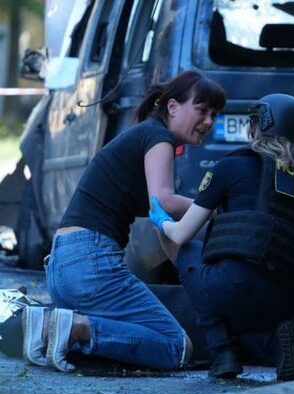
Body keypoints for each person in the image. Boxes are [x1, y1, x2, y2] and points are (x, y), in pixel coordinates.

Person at [21, 70, 226, 372]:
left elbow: (162, 221)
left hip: (62, 267)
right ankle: (77, 327)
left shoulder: (146, 135)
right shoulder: (159, 138)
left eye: (214, 114)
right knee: (176, 346)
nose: (209, 121)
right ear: (172, 107)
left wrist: (190, 274)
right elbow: (164, 202)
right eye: (202, 110)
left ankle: (50, 324)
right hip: (91, 265)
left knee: (137, 336)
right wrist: (212, 208)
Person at [149, 93, 294, 381]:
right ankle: (274, 343)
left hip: (239, 286)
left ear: (256, 129)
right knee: (248, 310)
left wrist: (162, 222)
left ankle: (222, 350)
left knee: (187, 252)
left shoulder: (233, 166)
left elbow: (182, 233)